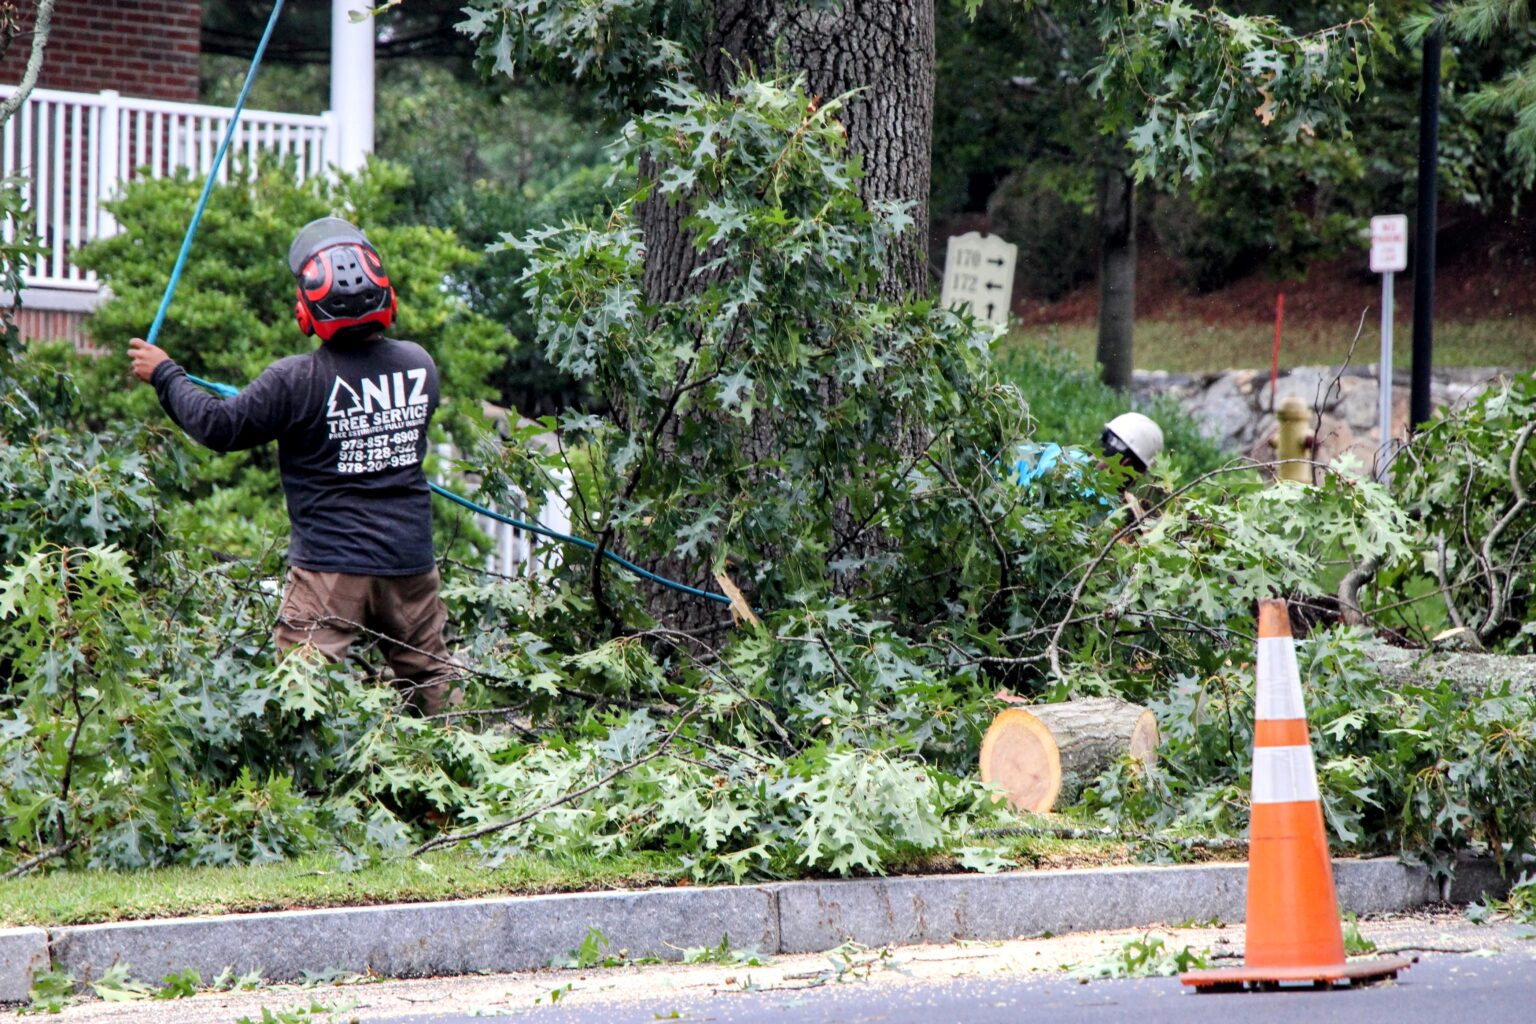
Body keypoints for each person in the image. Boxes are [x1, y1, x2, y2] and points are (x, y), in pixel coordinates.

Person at [127, 217, 461, 715]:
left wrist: (166, 375)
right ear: (385, 299)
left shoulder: (295, 380)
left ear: (309, 313)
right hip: (409, 561)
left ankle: (306, 794)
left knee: (301, 696)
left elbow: (219, 427)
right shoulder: (419, 364)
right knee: (432, 679)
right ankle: (468, 781)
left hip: (331, 569)